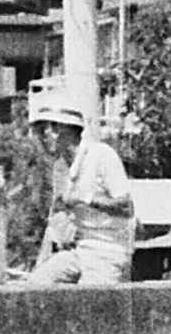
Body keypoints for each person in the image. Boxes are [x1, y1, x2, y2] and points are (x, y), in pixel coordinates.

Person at [17, 83, 138, 286]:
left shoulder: (101, 155)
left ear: (63, 128)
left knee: (89, 304)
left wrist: (85, 198)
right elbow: (54, 223)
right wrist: (37, 271)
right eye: (40, 130)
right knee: (36, 288)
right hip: (79, 250)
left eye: (47, 128)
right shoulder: (60, 168)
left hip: (108, 251)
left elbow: (126, 206)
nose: (43, 136)